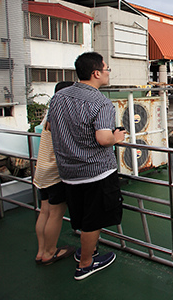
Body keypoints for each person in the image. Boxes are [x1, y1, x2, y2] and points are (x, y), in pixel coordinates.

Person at [48, 52, 126, 280]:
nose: (108, 72)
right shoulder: (101, 102)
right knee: (94, 219)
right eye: (107, 68)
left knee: (81, 217)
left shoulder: (59, 97)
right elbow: (103, 138)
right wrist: (117, 137)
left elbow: (51, 127)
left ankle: (86, 251)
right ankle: (85, 264)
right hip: (96, 172)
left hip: (68, 172)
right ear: (96, 73)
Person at [34, 81, 76, 265]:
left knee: (44, 212)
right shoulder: (62, 115)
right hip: (54, 172)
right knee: (55, 214)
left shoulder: (49, 114)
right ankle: (50, 253)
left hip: (41, 170)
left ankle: (41, 251)